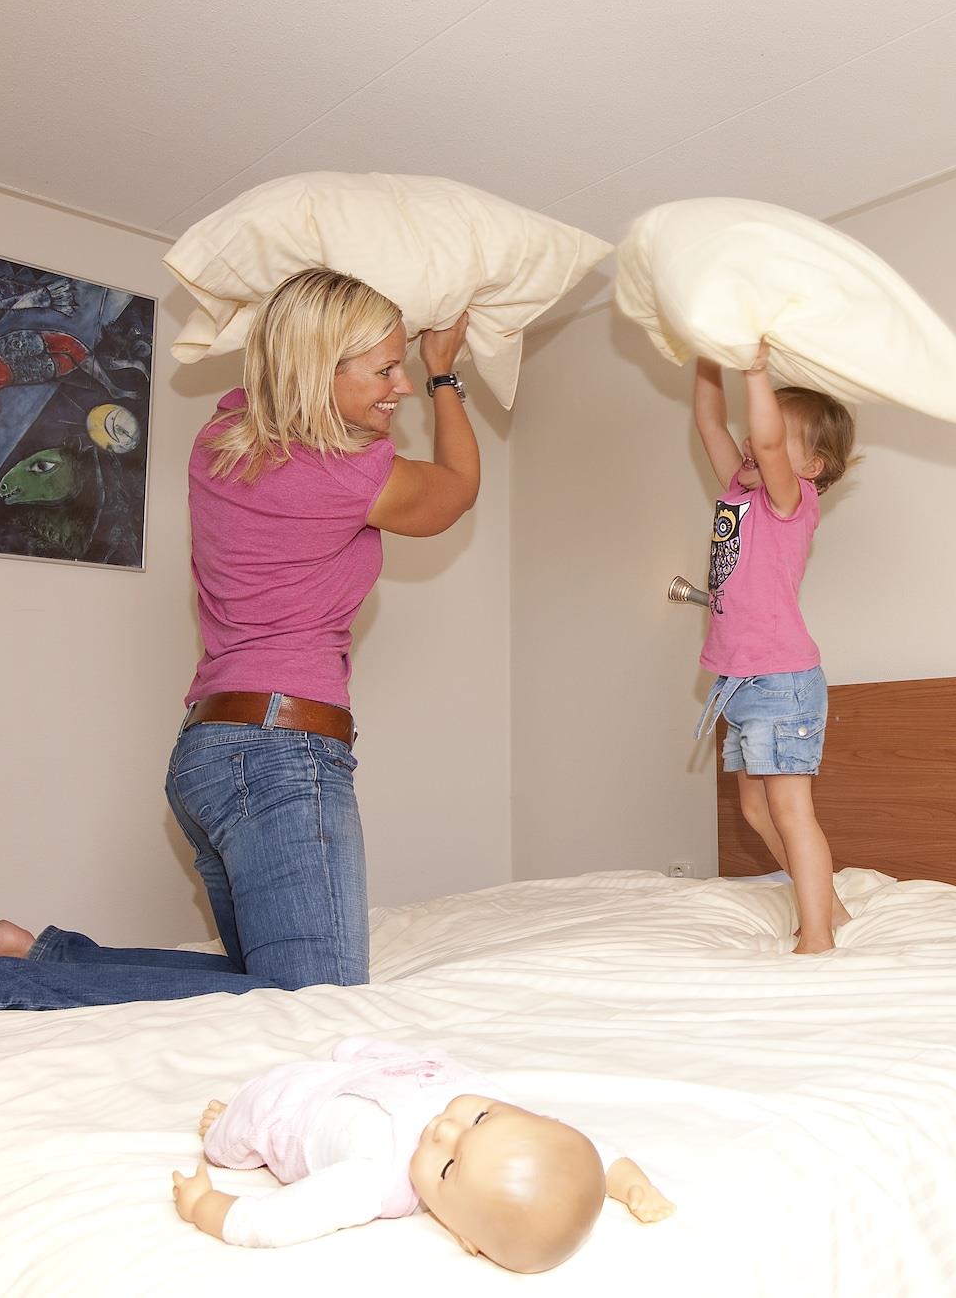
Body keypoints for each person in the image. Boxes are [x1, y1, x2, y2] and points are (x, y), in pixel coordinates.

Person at [0, 269, 480, 1055]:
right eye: (384, 369)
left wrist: (366, 350)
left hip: (210, 755)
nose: (400, 386)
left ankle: (32, 956)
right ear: (320, 371)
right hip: (284, 755)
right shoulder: (343, 473)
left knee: (260, 983)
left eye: (403, 368)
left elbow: (295, 363)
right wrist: (445, 373)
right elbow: (455, 490)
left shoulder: (224, 435)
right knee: (316, 1005)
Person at [170, 1037, 673, 1271]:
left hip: (300, 1106)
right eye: (481, 1119)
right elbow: (586, 1153)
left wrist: (205, 1206)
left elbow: (278, 1221)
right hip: (400, 1072)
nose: (444, 1128)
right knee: (366, 1050)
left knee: (243, 1126)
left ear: (462, 1234)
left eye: (449, 1167)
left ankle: (232, 1124)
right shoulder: (515, 1121)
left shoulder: (377, 1182)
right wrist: (634, 1184)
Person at [690, 341, 859, 953]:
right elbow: (710, 422)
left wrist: (755, 369)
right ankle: (830, 905)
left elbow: (764, 445)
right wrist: (705, 353)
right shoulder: (740, 494)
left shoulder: (791, 503)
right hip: (741, 683)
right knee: (756, 812)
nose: (755, 440)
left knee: (789, 810)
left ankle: (817, 935)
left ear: (810, 466)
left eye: (776, 436)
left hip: (781, 681)